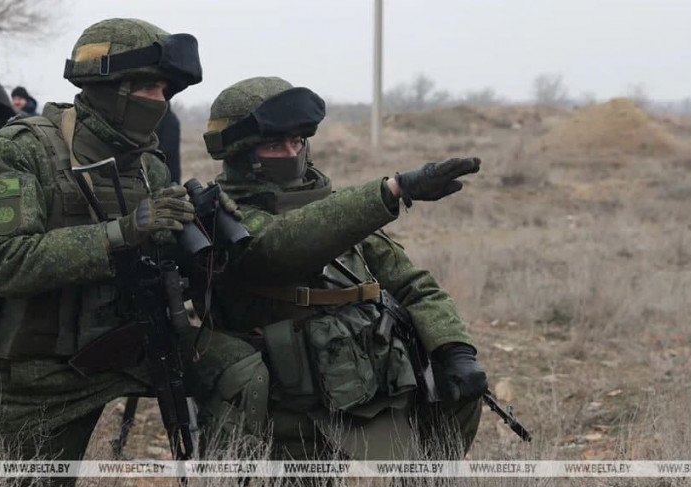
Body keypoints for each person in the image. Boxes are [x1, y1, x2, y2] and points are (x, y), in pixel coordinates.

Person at [0, 19, 263, 487]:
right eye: (149, 88)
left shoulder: (148, 164)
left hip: (136, 341)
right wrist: (122, 232)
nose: (160, 101)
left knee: (241, 372)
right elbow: (8, 262)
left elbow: (164, 259)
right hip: (43, 371)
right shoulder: (21, 150)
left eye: (166, 91)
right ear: (107, 86)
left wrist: (203, 235)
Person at [201, 76, 488, 461]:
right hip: (290, 401)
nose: (291, 153)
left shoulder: (338, 209)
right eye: (273, 146)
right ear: (240, 156)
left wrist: (455, 348)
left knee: (456, 396)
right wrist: (392, 191)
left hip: (369, 377)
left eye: (297, 142)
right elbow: (282, 245)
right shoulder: (223, 220)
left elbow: (413, 284)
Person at [156, 101, 182, 183]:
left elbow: (168, 148)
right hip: (162, 166)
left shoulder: (170, 120)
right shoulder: (160, 119)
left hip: (169, 166)